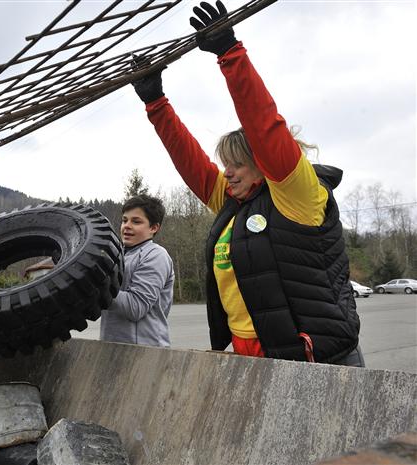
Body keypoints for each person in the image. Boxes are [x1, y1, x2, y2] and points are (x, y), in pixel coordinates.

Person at [130, 1, 362, 365]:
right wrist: (156, 104)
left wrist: (229, 52)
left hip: (316, 360)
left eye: (237, 164)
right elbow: (190, 163)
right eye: (226, 165)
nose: (227, 172)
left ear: (263, 164)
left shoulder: (296, 193)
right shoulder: (235, 203)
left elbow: (265, 126)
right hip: (251, 356)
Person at [100, 194, 175, 347]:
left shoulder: (156, 256)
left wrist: (95, 285)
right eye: (124, 220)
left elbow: (135, 307)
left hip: (145, 354)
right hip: (111, 348)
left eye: (136, 221)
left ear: (154, 228)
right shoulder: (116, 254)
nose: (127, 226)